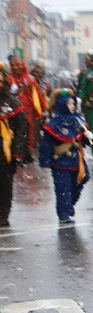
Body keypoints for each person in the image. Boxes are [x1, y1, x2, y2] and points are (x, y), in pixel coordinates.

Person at [39, 89, 89, 224]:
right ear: (62, 105)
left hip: (77, 159)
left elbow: (83, 138)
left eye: (73, 104)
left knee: (82, 180)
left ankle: (69, 204)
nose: (73, 106)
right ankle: (64, 212)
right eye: (70, 104)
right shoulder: (54, 124)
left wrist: (88, 138)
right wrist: (45, 160)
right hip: (60, 161)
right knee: (63, 187)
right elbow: (46, 144)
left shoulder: (78, 120)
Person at [0, 62, 30, 227]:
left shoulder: (12, 103)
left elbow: (22, 128)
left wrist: (19, 152)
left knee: (5, 185)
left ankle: (3, 213)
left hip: (6, 152)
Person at [7, 55, 44, 160]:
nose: (15, 67)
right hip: (13, 112)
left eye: (18, 64)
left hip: (28, 112)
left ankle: (27, 152)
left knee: (29, 132)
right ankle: (16, 153)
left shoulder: (30, 79)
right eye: (13, 65)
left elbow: (38, 97)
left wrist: (42, 110)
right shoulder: (8, 79)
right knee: (14, 132)